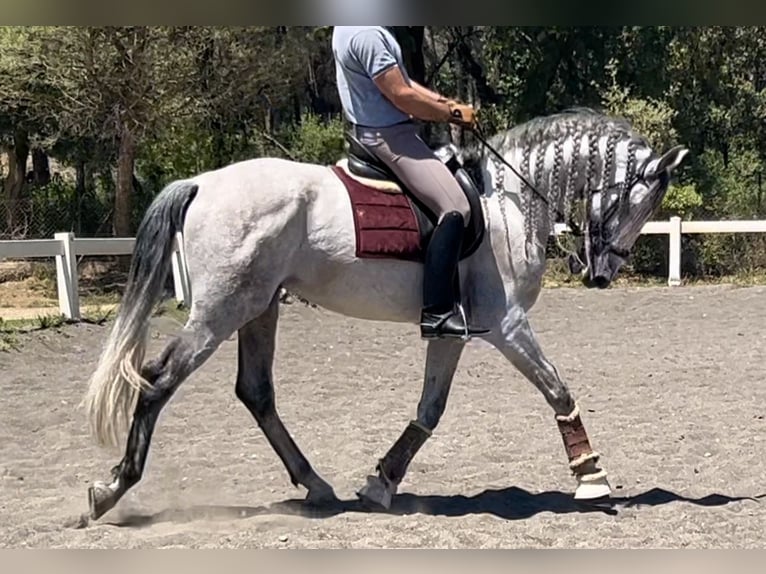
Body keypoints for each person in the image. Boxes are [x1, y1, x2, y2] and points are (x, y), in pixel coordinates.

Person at [332, 26, 490, 340]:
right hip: (390, 138)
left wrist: (447, 103)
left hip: (379, 131)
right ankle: (437, 312)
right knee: (456, 206)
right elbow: (402, 95)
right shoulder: (366, 35)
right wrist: (451, 113)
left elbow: (405, 83)